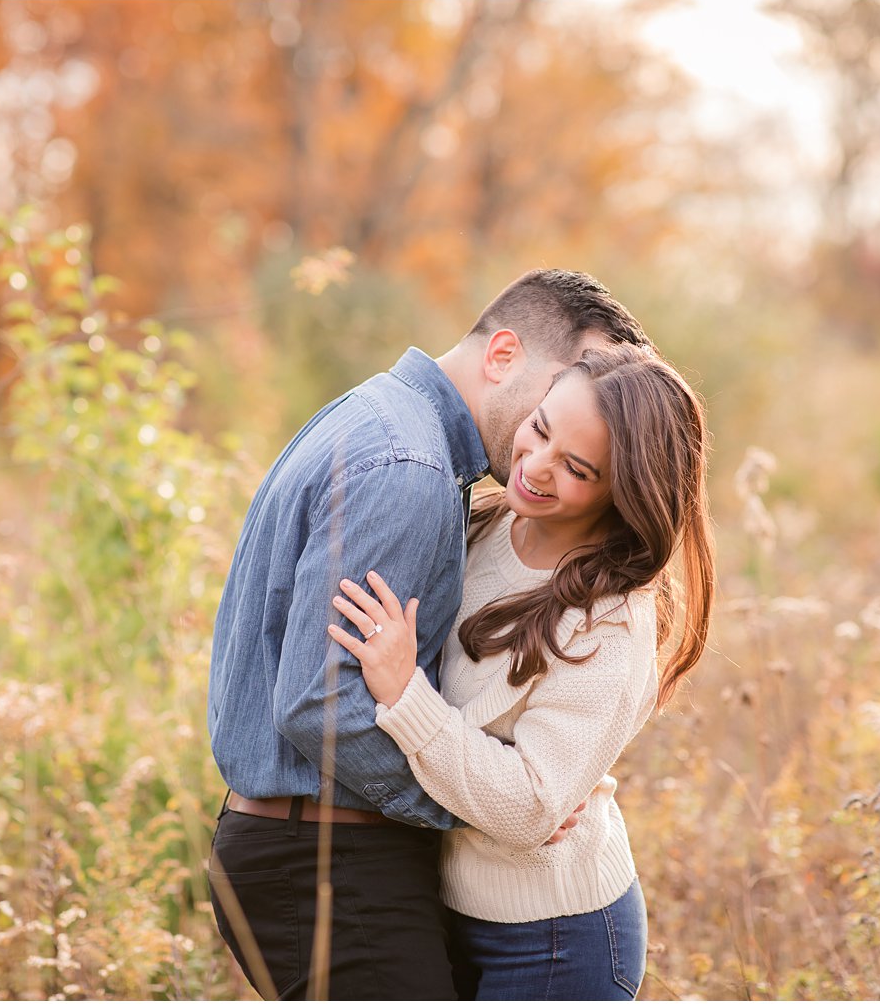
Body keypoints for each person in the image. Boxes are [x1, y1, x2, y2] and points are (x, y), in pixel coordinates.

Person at [205, 270, 653, 1000]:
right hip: (324, 857)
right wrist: (476, 814)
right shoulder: (409, 468)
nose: (574, 412)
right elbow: (322, 704)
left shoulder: (378, 421)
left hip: (311, 846)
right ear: (504, 352)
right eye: (570, 383)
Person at [326, 344, 714, 1000]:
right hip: (451, 902)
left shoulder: (607, 624)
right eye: (540, 428)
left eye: (577, 468)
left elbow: (530, 804)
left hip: (560, 939)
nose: (534, 466)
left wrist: (405, 696)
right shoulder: (484, 521)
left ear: (626, 492)